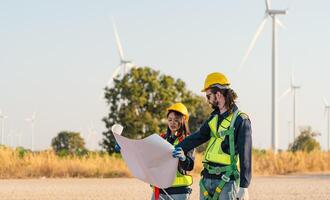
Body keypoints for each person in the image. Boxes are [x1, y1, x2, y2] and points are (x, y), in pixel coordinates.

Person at [173, 72, 252, 200]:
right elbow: (198, 137)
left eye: (208, 96)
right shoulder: (213, 118)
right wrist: (176, 147)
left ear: (218, 94)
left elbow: (245, 156)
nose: (207, 100)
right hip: (207, 179)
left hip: (227, 181)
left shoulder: (241, 120)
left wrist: (244, 186)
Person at [152, 103, 195, 200]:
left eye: (176, 120)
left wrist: (183, 158)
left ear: (183, 120)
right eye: (170, 120)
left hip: (179, 191)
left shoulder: (188, 140)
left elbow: (190, 166)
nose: (172, 123)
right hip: (160, 190)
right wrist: (126, 148)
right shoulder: (162, 138)